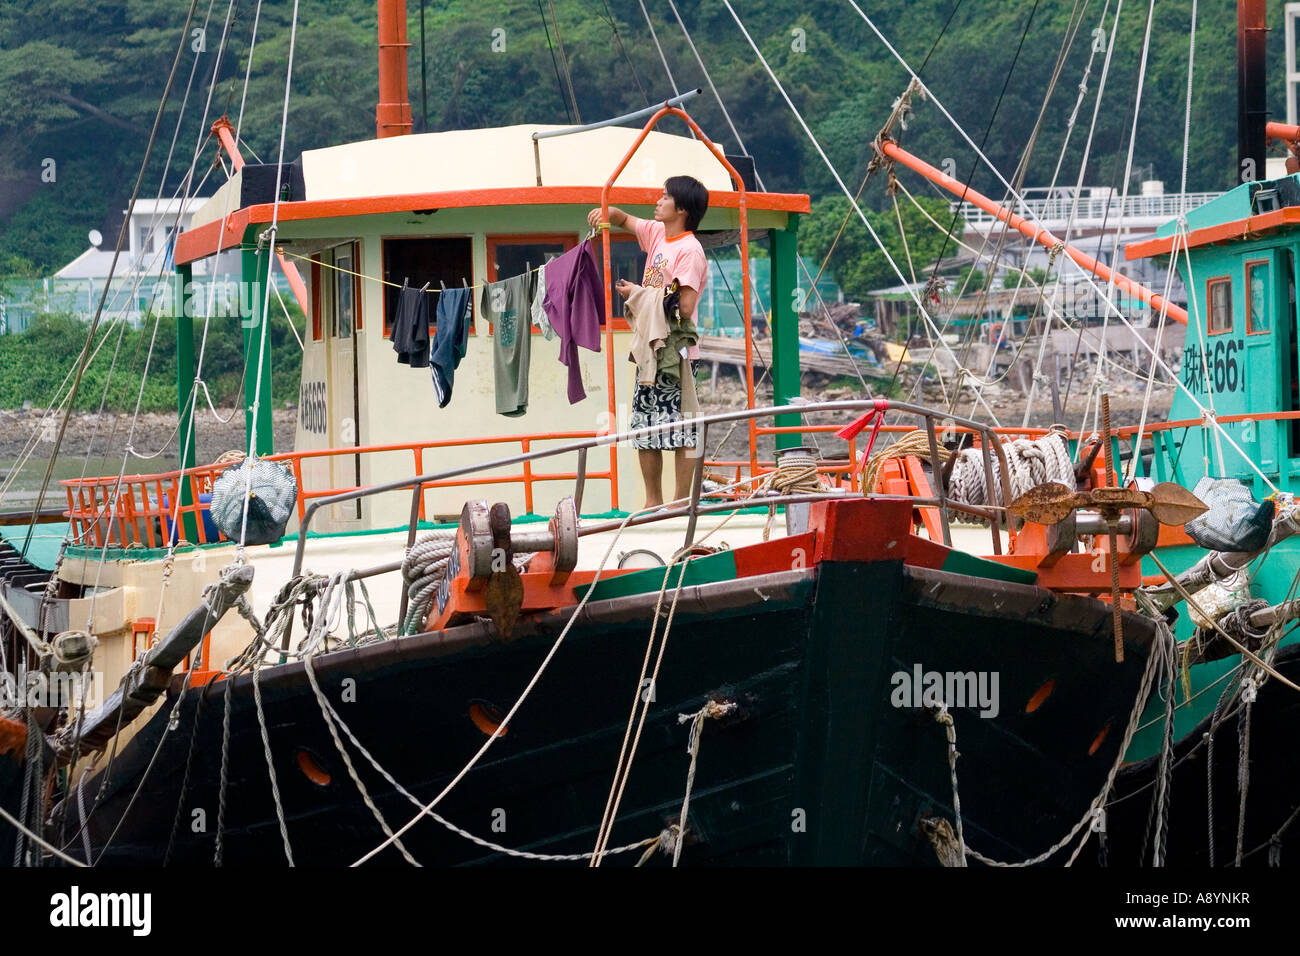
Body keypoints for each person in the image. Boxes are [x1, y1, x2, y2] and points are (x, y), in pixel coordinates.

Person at [587, 175, 710, 508]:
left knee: (682, 425)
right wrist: (609, 213)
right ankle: (652, 503)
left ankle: (680, 502)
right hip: (650, 349)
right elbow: (627, 220)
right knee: (645, 426)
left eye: (665, 197)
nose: (658, 201)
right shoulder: (658, 233)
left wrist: (638, 294)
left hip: (679, 350)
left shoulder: (690, 250)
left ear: (681, 209)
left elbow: (684, 306)